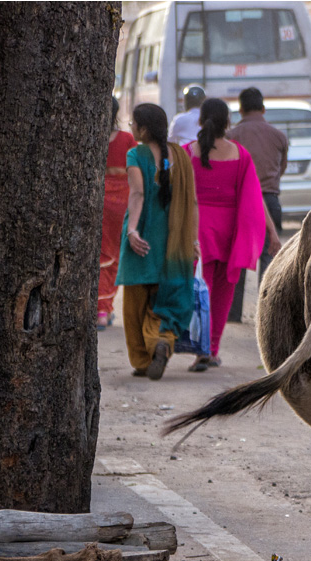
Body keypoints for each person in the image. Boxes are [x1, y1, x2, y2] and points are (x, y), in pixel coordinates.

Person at [185, 97, 277, 372]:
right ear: (228, 122)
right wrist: (271, 232)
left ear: (200, 121)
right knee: (223, 294)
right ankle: (212, 349)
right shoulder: (240, 155)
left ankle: (200, 349)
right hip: (229, 232)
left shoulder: (186, 152)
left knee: (201, 289)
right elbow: (254, 198)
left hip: (196, 230)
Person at [115, 103, 198, 380]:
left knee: (134, 305)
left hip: (144, 239)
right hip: (174, 244)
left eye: (134, 124)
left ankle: (141, 360)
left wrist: (133, 231)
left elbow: (137, 194)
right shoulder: (181, 157)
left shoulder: (136, 154)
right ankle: (162, 340)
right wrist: (193, 239)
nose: (130, 128)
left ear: (144, 128)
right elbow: (192, 202)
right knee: (166, 301)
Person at [226, 86, 287, 280]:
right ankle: (265, 309)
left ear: (241, 110)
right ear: (263, 109)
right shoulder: (279, 136)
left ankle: (233, 312)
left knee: (237, 265)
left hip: (239, 204)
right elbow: (281, 169)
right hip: (270, 200)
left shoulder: (231, 137)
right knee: (270, 263)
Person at [98, 96, 137, 330]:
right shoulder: (127, 138)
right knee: (116, 254)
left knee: (100, 253)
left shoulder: (94, 137)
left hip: (99, 199)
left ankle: (100, 308)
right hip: (122, 201)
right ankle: (104, 309)